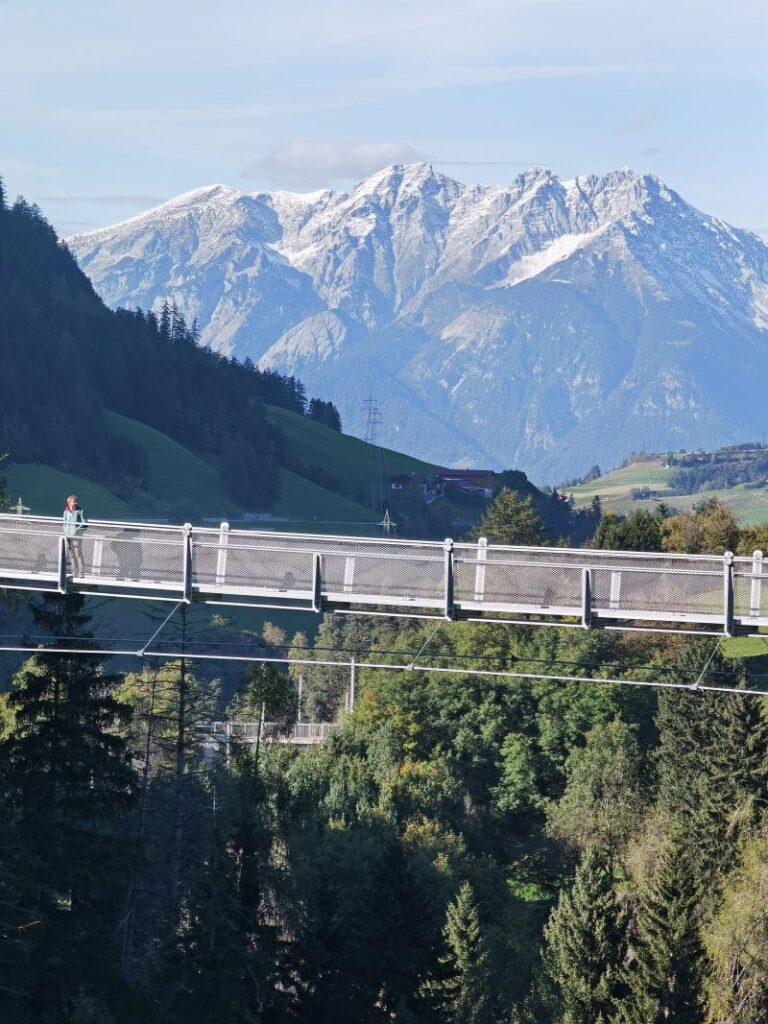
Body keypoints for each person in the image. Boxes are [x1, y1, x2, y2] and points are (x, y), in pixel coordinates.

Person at [63, 494, 87, 575]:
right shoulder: (66, 512)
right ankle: (74, 572)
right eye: (74, 501)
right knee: (71, 553)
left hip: (77, 535)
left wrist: (76, 529)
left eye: (76, 501)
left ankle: (81, 571)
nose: (76, 503)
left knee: (78, 553)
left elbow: (84, 523)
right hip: (68, 536)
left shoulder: (80, 511)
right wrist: (65, 533)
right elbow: (64, 523)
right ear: (69, 502)